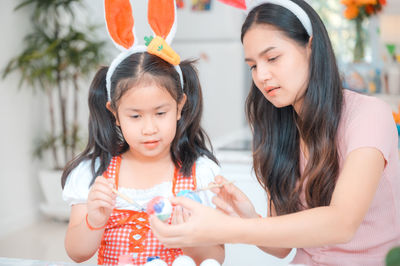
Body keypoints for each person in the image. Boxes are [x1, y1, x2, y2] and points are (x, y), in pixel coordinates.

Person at [149, 0, 400, 265]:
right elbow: (282, 249)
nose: (262, 76)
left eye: (272, 58)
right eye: (253, 66)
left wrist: (223, 228)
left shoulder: (369, 115)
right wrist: (248, 218)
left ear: (311, 48)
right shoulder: (277, 128)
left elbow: (342, 223)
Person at [61, 0, 224, 265]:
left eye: (160, 113)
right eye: (135, 116)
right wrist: (94, 220)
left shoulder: (199, 174)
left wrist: (189, 237)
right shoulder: (95, 173)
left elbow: (216, 257)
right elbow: (77, 253)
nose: (149, 129)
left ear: (180, 106)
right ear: (114, 112)